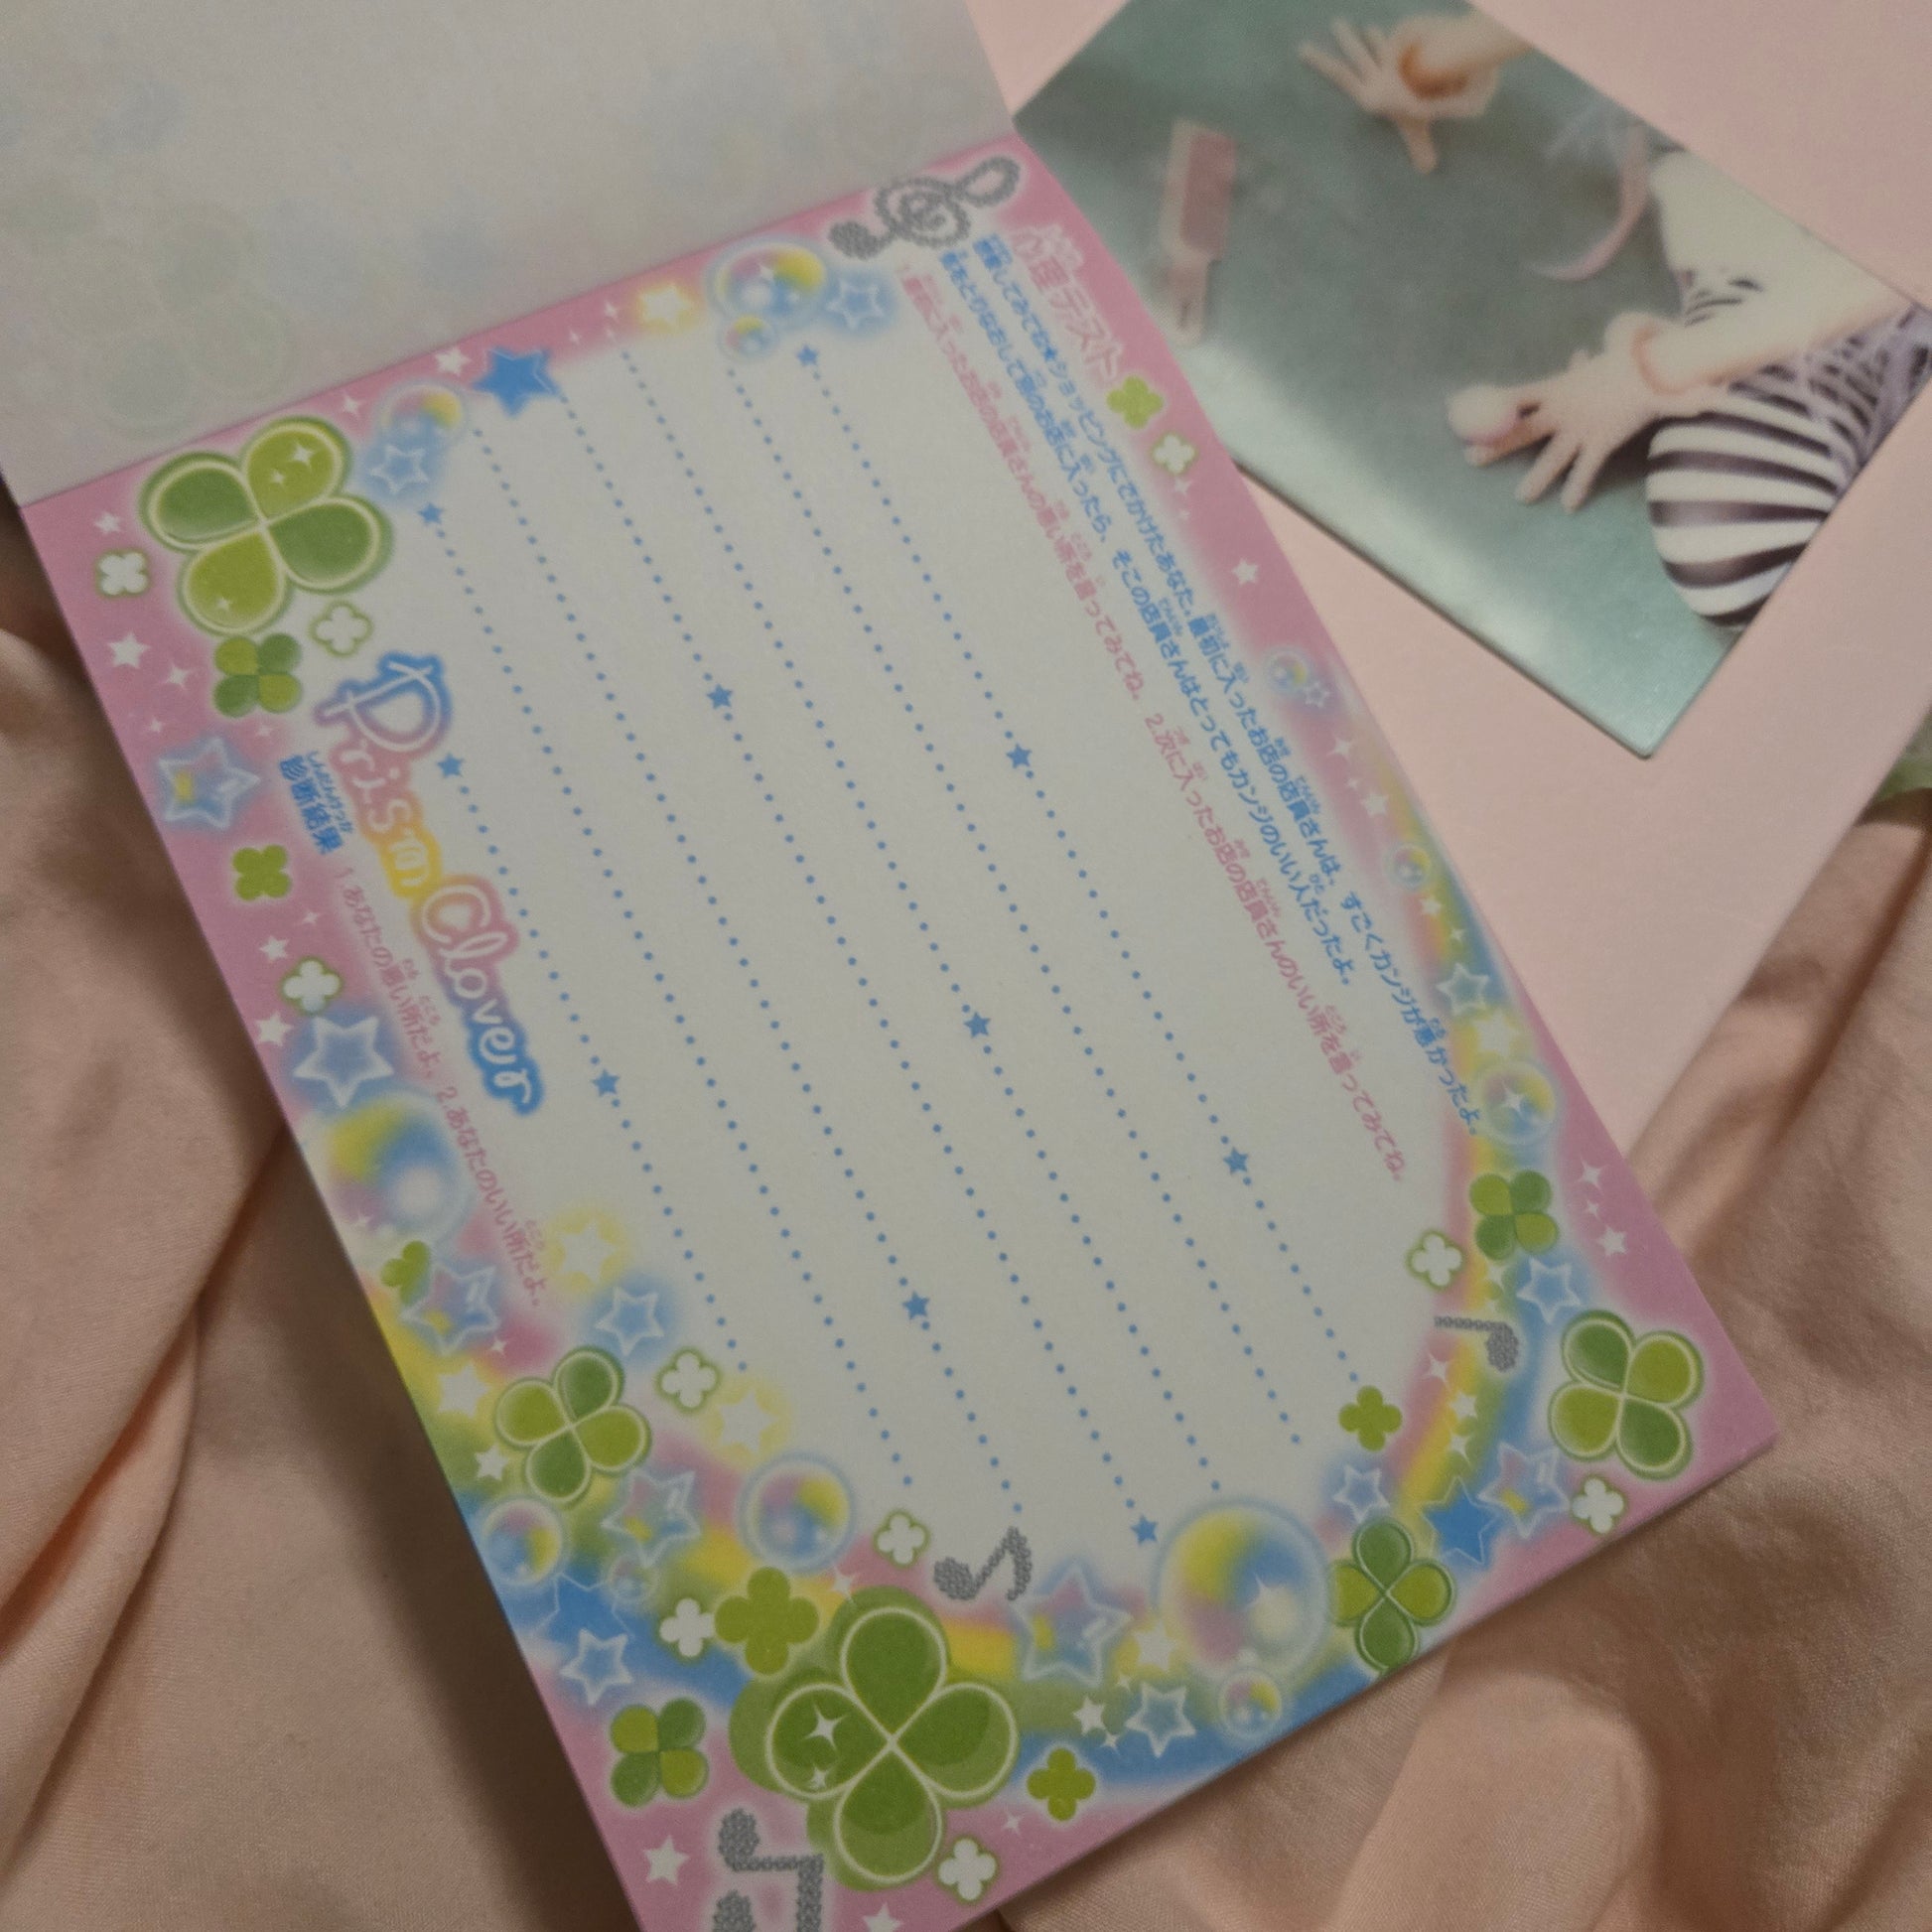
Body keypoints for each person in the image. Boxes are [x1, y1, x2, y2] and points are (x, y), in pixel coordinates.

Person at [1301, 12, 1932, 623]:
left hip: (1871, 249)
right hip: (1773, 239)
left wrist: (1655, 369)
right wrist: (1431, 66)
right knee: (1728, 553)